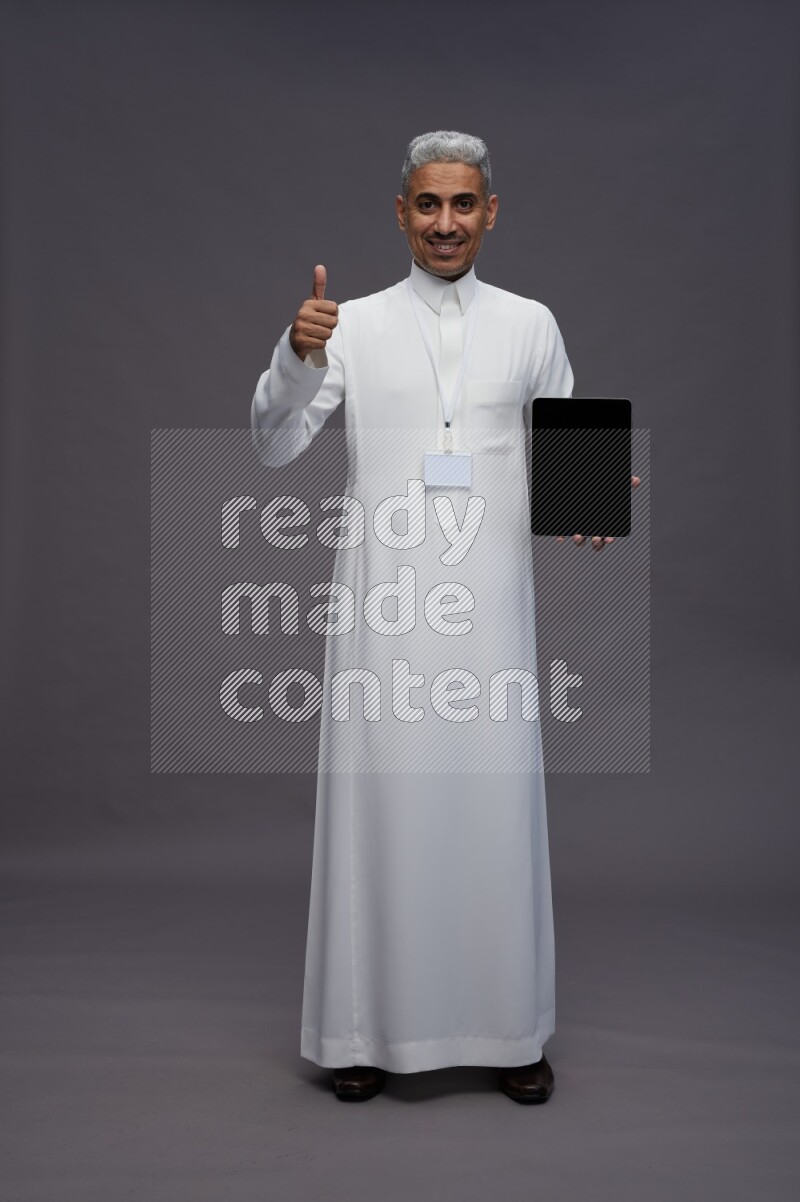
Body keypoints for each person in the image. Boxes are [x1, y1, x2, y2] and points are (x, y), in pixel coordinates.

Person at [251, 131, 625, 1103]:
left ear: (490, 212)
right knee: (380, 807)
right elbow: (274, 444)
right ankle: (361, 1032)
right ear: (401, 213)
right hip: (383, 610)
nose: (445, 222)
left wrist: (591, 501)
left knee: (494, 812)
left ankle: (510, 1031)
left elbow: (567, 446)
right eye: (428, 204)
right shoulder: (355, 326)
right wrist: (297, 354)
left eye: (463, 204)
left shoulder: (530, 322)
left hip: (490, 613)